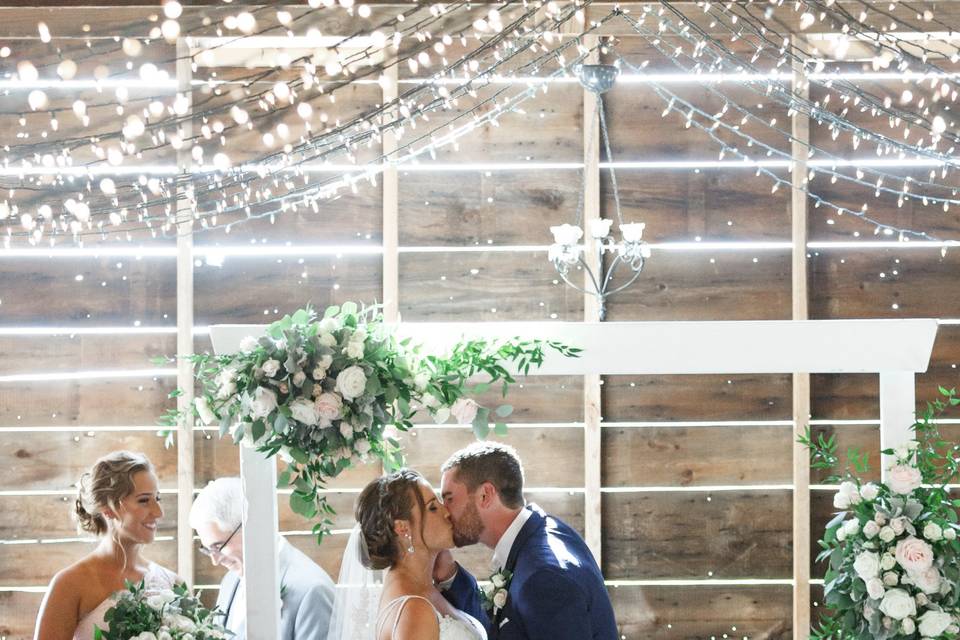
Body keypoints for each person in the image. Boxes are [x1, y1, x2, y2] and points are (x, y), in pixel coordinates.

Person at [435, 442, 617, 640]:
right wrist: (449, 574)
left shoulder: (544, 576)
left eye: (449, 498)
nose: (444, 511)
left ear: (485, 495)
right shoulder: (543, 532)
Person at [34, 451, 180, 640]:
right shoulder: (69, 585)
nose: (158, 512)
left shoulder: (174, 584)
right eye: (144, 500)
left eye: (157, 499)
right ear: (108, 509)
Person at [342, 468, 486, 640]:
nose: (446, 512)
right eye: (433, 507)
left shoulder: (424, 589)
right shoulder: (414, 610)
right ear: (402, 528)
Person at [189, 477, 335, 640]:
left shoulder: (313, 590)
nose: (215, 561)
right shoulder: (230, 581)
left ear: (250, 526)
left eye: (218, 547)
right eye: (208, 550)